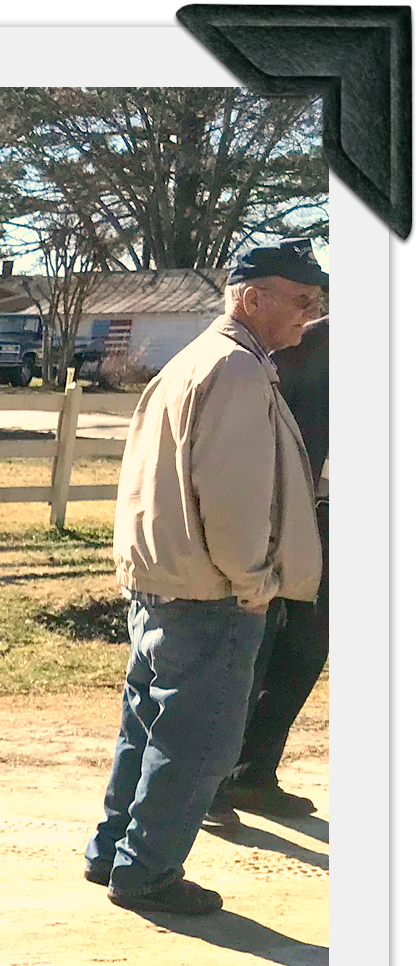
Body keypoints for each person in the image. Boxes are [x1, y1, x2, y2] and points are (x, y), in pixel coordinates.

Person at [83, 241, 325, 915]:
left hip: (165, 579)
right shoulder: (239, 370)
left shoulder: (195, 361)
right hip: (211, 592)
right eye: (302, 299)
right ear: (253, 299)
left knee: (149, 728)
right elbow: (233, 495)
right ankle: (148, 874)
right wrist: (254, 580)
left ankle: (113, 853)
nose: (311, 314)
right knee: (197, 743)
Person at [212, 314, 328, 823]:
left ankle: (254, 772)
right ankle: (210, 782)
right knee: (254, 644)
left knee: (306, 650)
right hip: (292, 514)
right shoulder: (305, 345)